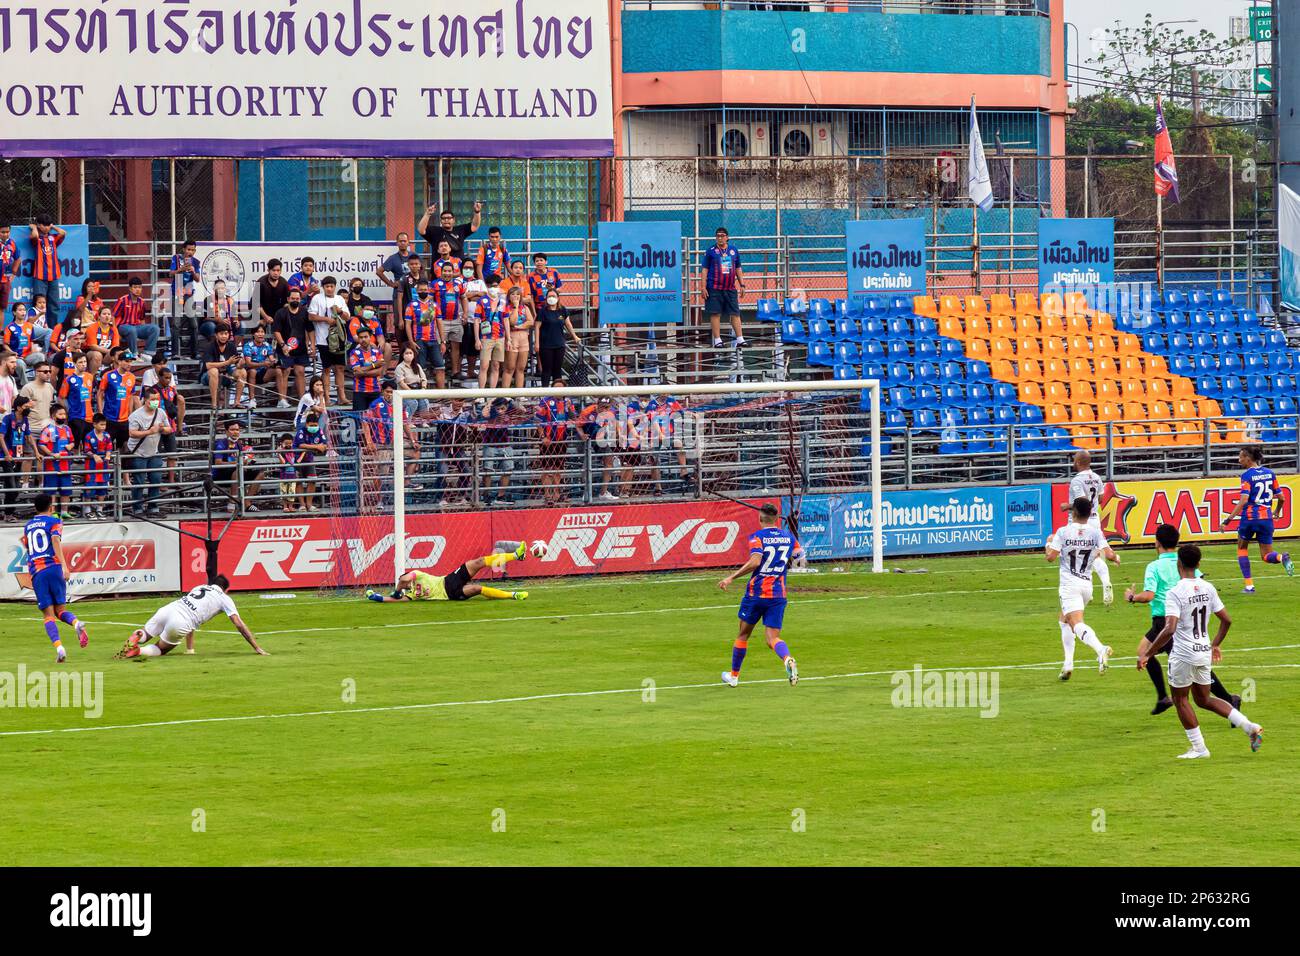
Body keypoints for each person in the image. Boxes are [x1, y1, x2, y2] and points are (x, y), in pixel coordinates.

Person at [1137, 545, 1264, 759]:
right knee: (1204, 700)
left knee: (1180, 699)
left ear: (1179, 565)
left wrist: (1148, 653)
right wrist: (1215, 644)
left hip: (1183, 653)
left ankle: (1199, 748)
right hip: (1202, 650)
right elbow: (1226, 619)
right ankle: (1249, 726)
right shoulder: (1208, 587)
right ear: (1198, 564)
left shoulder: (1175, 592)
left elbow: (1170, 628)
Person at [1125, 523, 1238, 716]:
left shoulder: (1154, 566)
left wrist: (1132, 597)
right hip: (1181, 618)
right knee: (1145, 651)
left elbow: (1149, 595)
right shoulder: (1183, 560)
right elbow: (1198, 581)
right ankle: (1162, 697)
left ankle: (1229, 700)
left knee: (1189, 667)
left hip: (1168, 621)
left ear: (1156, 543)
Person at [717, 502, 801, 687]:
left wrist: (732, 577)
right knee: (772, 638)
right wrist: (785, 561)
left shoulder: (757, 537)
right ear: (777, 518)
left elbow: (755, 561)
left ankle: (734, 676)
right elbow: (800, 559)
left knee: (743, 635)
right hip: (778, 595)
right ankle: (787, 658)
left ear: (760, 519)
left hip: (756, 593)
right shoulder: (788, 536)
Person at [1046, 497, 1120, 680]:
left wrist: (1048, 544)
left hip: (1069, 584)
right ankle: (1068, 664)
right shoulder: (1095, 532)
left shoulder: (1063, 532)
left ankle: (1100, 649)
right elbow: (1109, 554)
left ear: (1074, 512)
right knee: (1064, 620)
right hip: (1087, 585)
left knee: (1076, 623)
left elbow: (1050, 557)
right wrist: (1116, 557)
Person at [117, 576, 268, 659]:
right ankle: (138, 652)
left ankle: (138, 636)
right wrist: (257, 647)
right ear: (225, 589)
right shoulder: (225, 599)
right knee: (161, 648)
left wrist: (190, 649)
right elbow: (239, 625)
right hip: (182, 621)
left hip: (169, 608)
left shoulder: (200, 587)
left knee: (147, 632)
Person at [22, 492, 90, 662]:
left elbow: (27, 545)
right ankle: (76, 623)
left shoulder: (28, 525)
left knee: (48, 615)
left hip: (38, 571)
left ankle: (60, 649)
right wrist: (64, 566)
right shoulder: (55, 521)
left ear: (35, 508)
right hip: (54, 567)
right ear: (51, 507)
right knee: (61, 611)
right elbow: (55, 540)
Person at [366, 539, 529, 604]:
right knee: (477, 589)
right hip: (451, 595)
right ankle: (513, 595)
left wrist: (397, 590)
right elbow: (394, 601)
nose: (406, 581)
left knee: (479, 562)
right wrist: (375, 597)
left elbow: (405, 578)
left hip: (449, 581)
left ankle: (516, 555)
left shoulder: (417, 575)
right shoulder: (411, 596)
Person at [1223, 444, 1294, 592]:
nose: (1238, 460)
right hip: (1266, 518)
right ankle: (1282, 558)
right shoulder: (1270, 473)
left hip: (1249, 518)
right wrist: (1276, 511)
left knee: (1242, 548)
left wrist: (1228, 519)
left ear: (1248, 458)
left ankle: (1249, 586)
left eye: (1241, 457)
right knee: (1267, 555)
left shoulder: (1247, 476)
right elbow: (1281, 497)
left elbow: (1243, 500)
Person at [1061, 450, 1114, 604]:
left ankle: (1103, 583)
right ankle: (1091, 591)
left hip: (1080, 521)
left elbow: (1081, 503)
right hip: (1094, 519)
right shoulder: (1097, 477)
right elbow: (1101, 498)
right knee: (1088, 554)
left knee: (1081, 555)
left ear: (1078, 462)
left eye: (1074, 460)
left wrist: (1067, 506)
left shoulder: (1077, 481)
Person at [125, 385, 171, 518]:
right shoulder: (136, 415)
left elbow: (169, 429)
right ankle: (137, 508)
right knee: (139, 482)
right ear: (145, 400)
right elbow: (132, 433)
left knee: (156, 480)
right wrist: (149, 431)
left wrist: (162, 429)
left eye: (157, 399)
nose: (155, 401)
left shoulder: (160, 412)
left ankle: (153, 507)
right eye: (153, 399)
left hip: (154, 452)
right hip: (138, 453)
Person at [701, 226, 745, 349]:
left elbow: (738, 268)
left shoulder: (733, 250)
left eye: (722, 235)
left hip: (730, 288)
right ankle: (717, 339)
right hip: (714, 287)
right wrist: (703, 287)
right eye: (718, 236)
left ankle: (740, 339)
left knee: (735, 313)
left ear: (727, 237)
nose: (720, 238)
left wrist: (742, 284)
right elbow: (704, 269)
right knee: (715, 313)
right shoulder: (710, 251)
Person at [309, 276, 350, 404]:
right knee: (326, 369)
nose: (330, 289)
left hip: (339, 339)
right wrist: (326, 319)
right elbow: (311, 316)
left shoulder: (340, 299)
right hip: (323, 339)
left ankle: (341, 397)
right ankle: (326, 398)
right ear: (323, 287)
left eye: (332, 286)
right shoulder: (317, 298)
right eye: (327, 286)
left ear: (335, 286)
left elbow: (347, 317)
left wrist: (340, 311)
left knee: (340, 368)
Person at [212, 419, 263, 513]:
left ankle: (247, 503)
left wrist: (247, 462)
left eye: (237, 430)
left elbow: (240, 460)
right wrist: (238, 463)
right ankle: (232, 503)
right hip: (221, 475)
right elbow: (218, 463)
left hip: (237, 472)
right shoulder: (221, 444)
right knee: (238, 469)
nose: (235, 432)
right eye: (232, 430)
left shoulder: (238, 445)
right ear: (226, 432)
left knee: (260, 473)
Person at [535, 381, 573, 506]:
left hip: (562, 440)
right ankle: (547, 495)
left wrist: (569, 408)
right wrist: (542, 436)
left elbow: (573, 417)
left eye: (560, 388)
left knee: (558, 468)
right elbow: (538, 420)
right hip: (548, 440)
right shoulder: (545, 401)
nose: (558, 391)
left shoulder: (568, 401)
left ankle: (557, 494)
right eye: (556, 388)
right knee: (547, 468)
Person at [35, 404, 77, 517]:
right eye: (60, 414)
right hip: (51, 465)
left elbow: (73, 441)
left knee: (66, 489)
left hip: (65, 465)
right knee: (51, 491)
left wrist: (71, 446)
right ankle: (52, 512)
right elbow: (42, 444)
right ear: (54, 416)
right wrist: (51, 454)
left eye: (64, 414)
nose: (63, 416)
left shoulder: (67, 429)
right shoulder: (48, 429)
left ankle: (64, 512)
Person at [273, 285, 311, 406]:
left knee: (300, 371)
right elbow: (276, 331)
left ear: (300, 299)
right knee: (285, 370)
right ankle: (282, 400)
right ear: (288, 299)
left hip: (300, 350)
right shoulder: (281, 312)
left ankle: (302, 401)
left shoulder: (305, 312)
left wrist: (312, 345)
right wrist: (283, 345)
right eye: (293, 298)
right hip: (284, 349)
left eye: (297, 298)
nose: (295, 300)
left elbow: (310, 329)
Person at [403, 279, 445, 389]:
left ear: (429, 290)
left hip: (434, 340)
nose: (423, 291)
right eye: (421, 290)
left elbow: (440, 323)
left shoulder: (434, 305)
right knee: (420, 369)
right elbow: (408, 325)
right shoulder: (411, 305)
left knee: (440, 367)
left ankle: (442, 395)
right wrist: (411, 341)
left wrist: (443, 341)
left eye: (425, 289)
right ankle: (423, 394)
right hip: (419, 341)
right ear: (417, 291)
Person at [534, 290, 580, 385]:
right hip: (546, 345)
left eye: (554, 296)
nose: (551, 298)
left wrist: (575, 336)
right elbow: (537, 327)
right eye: (549, 296)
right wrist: (537, 343)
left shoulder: (562, 310)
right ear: (546, 298)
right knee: (546, 370)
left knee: (557, 370)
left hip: (559, 344)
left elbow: (568, 324)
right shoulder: (543, 311)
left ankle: (557, 394)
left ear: (558, 298)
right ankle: (545, 393)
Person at [96, 349, 137, 451]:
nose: (129, 364)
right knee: (104, 447)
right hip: (109, 418)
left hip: (124, 420)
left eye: (131, 361)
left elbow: (131, 396)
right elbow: (100, 394)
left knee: (124, 448)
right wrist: (101, 412)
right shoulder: (108, 375)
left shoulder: (132, 377)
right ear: (119, 361)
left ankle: (122, 467)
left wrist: (130, 414)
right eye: (127, 361)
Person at [433, 262, 467, 381]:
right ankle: (438, 370)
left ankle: (455, 372)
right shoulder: (435, 284)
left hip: (455, 320)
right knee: (439, 347)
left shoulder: (458, 284)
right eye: (445, 271)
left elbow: (463, 298)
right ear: (441, 272)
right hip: (440, 321)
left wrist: (465, 314)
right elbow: (429, 300)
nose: (447, 273)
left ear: (453, 272)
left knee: (455, 347)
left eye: (449, 271)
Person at [418, 201, 482, 264]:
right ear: (440, 221)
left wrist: (477, 212)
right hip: (438, 269)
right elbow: (421, 230)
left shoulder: (460, 230)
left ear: (454, 220)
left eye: (449, 218)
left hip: (457, 269)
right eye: (443, 218)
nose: (446, 220)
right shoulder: (435, 231)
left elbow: (474, 226)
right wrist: (427, 214)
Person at [0, 396, 33, 520]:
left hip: (18, 457)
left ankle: (8, 514)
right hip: (7, 458)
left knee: (14, 488)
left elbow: (29, 437)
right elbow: (1, 437)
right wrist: (7, 454)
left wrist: (36, 452)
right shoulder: (8, 418)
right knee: (12, 487)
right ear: (19, 407)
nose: (28, 409)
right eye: (26, 407)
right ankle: (8, 514)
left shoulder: (25, 420)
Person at [202, 324, 249, 408]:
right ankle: (214, 404)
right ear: (216, 335)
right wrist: (227, 362)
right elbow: (208, 365)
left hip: (225, 376)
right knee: (214, 371)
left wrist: (241, 364)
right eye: (221, 334)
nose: (224, 336)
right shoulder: (209, 346)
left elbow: (237, 365)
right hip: (208, 377)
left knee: (242, 372)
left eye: (226, 334)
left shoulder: (231, 346)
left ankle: (237, 402)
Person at [29, 217, 67, 317]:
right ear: (38, 225)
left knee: (54, 304)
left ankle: (52, 330)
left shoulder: (53, 238)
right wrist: (34, 228)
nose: (46, 228)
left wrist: (53, 226)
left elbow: (63, 233)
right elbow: (34, 236)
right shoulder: (37, 238)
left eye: (48, 225)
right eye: (43, 225)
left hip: (54, 276)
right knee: (39, 305)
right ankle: (39, 329)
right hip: (40, 276)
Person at [473, 279, 508, 389]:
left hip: (500, 336)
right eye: (491, 286)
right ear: (487, 287)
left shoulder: (502, 301)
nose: (493, 288)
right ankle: (481, 393)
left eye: (495, 285)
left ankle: (492, 394)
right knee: (484, 365)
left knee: (496, 366)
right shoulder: (482, 301)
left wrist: (509, 338)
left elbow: (506, 319)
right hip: (486, 337)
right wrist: (477, 339)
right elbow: (476, 320)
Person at [111, 276, 159, 356]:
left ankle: (148, 353)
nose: (137, 289)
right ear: (130, 288)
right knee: (131, 329)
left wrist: (144, 331)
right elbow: (113, 317)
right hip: (123, 327)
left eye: (140, 287)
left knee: (155, 328)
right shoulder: (122, 300)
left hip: (137, 327)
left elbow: (142, 318)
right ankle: (134, 354)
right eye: (135, 287)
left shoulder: (142, 302)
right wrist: (116, 333)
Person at [292, 412, 327, 511]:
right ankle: (302, 505)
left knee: (312, 480)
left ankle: (309, 505)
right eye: (311, 425)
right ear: (307, 424)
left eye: (315, 425)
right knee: (298, 482)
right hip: (297, 460)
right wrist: (317, 446)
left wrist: (322, 447)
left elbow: (324, 444)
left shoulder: (319, 431)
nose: (313, 427)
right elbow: (301, 445)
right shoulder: (301, 431)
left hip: (309, 459)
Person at [57, 351, 94, 446]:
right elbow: (61, 398)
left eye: (85, 362)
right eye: (80, 362)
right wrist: (66, 411)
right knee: (75, 443)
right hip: (76, 416)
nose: (83, 364)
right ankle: (75, 458)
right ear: (74, 364)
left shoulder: (90, 377)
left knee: (88, 445)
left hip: (89, 417)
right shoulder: (69, 379)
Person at [348, 325, 386, 412]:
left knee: (376, 419)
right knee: (360, 419)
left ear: (370, 337)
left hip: (375, 390)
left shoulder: (377, 352)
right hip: (360, 391)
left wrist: (362, 372)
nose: (363, 339)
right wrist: (374, 365)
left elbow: (379, 372)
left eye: (366, 337)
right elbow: (356, 372)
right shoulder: (354, 353)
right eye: (361, 337)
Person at [376, 231, 414, 319]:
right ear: (397, 243)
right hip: (399, 293)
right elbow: (379, 272)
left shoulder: (414, 256)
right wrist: (391, 284)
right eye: (400, 241)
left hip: (413, 292)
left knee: (413, 319)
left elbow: (422, 271)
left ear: (408, 242)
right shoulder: (393, 258)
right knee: (399, 321)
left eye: (405, 241)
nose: (403, 243)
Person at [502, 285, 534, 391]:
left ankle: (519, 394)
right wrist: (515, 307)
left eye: (518, 294)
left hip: (523, 336)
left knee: (521, 368)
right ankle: (505, 395)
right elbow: (512, 322)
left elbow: (530, 321)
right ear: (509, 296)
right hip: (512, 336)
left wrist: (521, 326)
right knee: (510, 368)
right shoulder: (506, 308)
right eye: (513, 294)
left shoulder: (525, 308)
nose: (515, 296)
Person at [82, 413, 113, 519]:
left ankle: (100, 509)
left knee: (103, 488)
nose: (103, 427)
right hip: (91, 466)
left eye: (104, 425)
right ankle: (87, 510)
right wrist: (94, 456)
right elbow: (86, 450)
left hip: (104, 466)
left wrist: (108, 455)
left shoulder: (107, 435)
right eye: (101, 425)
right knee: (90, 488)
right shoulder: (89, 436)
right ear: (94, 424)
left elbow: (109, 447)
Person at [256, 259, 291, 344]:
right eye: (273, 270)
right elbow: (255, 304)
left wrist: (283, 315)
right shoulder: (260, 282)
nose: (276, 273)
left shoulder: (284, 283)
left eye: (278, 270)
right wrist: (265, 317)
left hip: (277, 316)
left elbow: (286, 303)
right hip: (262, 315)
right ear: (268, 270)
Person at [240, 324, 276, 406]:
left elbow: (271, 359)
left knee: (278, 371)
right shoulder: (248, 346)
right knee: (252, 371)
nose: (260, 334)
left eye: (262, 332)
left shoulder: (267, 345)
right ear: (253, 334)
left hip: (263, 373)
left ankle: (281, 400)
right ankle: (252, 399)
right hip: (250, 373)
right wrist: (263, 363)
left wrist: (274, 362)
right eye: (258, 332)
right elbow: (248, 364)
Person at [19, 360, 57, 435]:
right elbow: (21, 409)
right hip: (32, 428)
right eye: (45, 372)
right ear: (36, 372)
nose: (48, 374)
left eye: (50, 371)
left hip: (47, 428)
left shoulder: (50, 387)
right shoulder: (28, 388)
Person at [394, 346, 430, 416]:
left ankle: (423, 421)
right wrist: (411, 392)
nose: (409, 355)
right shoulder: (399, 367)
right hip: (405, 393)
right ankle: (408, 422)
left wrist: (423, 388)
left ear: (414, 355)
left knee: (424, 401)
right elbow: (402, 383)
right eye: (406, 353)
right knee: (413, 402)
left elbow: (424, 379)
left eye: (410, 353)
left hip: (418, 390)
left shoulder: (417, 366)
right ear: (402, 355)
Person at [168, 239, 202, 315]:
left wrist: (193, 271)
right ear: (184, 249)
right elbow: (170, 274)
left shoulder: (196, 262)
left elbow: (197, 279)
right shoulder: (176, 258)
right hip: (177, 292)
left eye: (192, 250)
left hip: (189, 293)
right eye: (188, 249)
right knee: (177, 320)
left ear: (195, 251)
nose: (190, 252)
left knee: (193, 320)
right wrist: (181, 269)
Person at [276, 433, 302, 512]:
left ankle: (290, 506)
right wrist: (278, 453)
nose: (288, 445)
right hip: (284, 475)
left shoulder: (293, 452)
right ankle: (285, 506)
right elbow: (283, 462)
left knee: (292, 491)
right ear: (281, 443)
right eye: (286, 443)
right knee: (284, 491)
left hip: (292, 475)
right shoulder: (282, 452)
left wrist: (303, 453)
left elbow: (298, 461)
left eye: (290, 443)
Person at [0, 224, 19, 313]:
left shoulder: (12, 243)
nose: (5, 234)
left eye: (7, 232)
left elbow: (18, 259)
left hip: (6, 280)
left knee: (2, 309)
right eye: (2, 232)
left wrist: (14, 273)